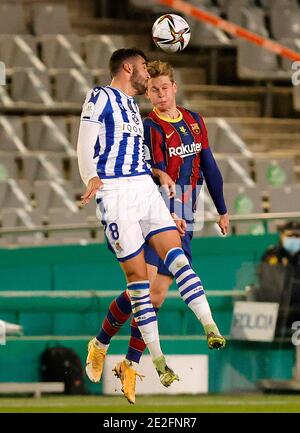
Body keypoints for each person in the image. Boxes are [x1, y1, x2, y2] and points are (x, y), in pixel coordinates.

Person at [80, 56, 229, 404]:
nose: (159, 94)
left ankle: (125, 360)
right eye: (152, 89)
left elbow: (209, 164)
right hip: (156, 204)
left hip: (188, 210)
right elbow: (151, 167)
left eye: (163, 88)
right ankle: (111, 350)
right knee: (142, 291)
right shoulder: (149, 125)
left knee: (156, 297)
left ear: (174, 88)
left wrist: (222, 208)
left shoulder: (193, 121)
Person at [259, 220, 300, 336]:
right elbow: (269, 285)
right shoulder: (272, 255)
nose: (294, 239)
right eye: (290, 235)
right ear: (282, 235)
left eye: (297, 236)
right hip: (278, 308)